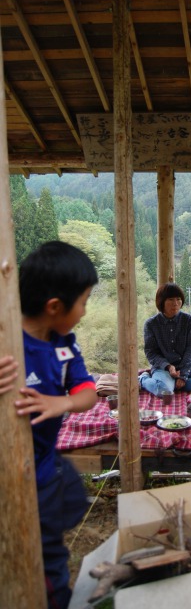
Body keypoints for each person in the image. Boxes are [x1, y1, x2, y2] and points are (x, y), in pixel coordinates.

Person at [0, 240, 98, 609]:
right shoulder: (6, 342)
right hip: (15, 475)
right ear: (55, 306)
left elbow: (87, 391)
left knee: (58, 527)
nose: (85, 311)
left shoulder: (63, 345)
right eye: (84, 302)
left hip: (43, 464)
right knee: (42, 560)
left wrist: (64, 402)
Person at [139, 283, 191, 396]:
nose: (175, 303)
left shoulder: (189, 321)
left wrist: (183, 375)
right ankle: (143, 379)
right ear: (162, 301)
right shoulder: (151, 324)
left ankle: (170, 384)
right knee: (163, 391)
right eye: (170, 299)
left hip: (187, 366)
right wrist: (168, 366)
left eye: (178, 299)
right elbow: (151, 353)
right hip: (163, 368)